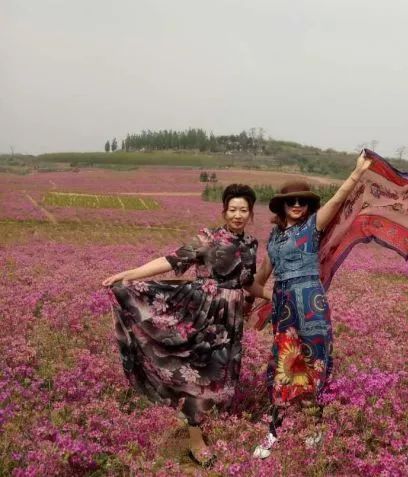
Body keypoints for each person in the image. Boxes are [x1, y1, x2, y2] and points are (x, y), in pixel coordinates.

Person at [102, 184, 270, 467]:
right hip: (201, 314)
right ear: (224, 210)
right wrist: (129, 273)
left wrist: (272, 295)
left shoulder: (251, 244)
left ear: (251, 212)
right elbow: (170, 260)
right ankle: (196, 442)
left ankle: (202, 429)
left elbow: (247, 283)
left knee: (218, 379)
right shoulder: (208, 237)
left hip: (229, 321)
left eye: (243, 210)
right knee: (196, 379)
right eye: (233, 209)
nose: (238, 215)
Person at [252, 153, 372, 458]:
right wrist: (254, 295)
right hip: (284, 313)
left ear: (308, 206)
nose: (296, 206)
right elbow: (259, 278)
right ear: (281, 205)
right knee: (282, 369)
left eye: (302, 201)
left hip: (312, 309)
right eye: (291, 201)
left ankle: (314, 429)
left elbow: (338, 199)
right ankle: (273, 432)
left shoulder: (312, 228)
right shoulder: (274, 239)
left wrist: (356, 173)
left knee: (314, 366)